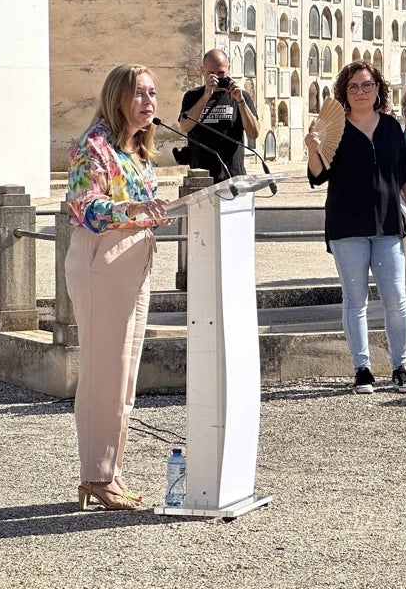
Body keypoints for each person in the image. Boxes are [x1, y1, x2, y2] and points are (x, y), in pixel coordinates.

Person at [66, 64, 170, 510]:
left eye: (153, 93)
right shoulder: (93, 147)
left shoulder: (137, 151)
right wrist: (136, 207)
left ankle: (111, 471)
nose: (149, 102)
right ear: (118, 98)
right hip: (102, 259)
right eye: (140, 94)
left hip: (135, 260)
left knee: (125, 375)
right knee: (103, 373)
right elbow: (85, 206)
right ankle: (96, 474)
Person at [305, 61, 406, 395]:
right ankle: (362, 369)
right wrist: (313, 149)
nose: (361, 92)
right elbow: (318, 175)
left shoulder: (390, 126)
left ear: (378, 89)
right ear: (344, 92)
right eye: (354, 87)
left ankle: (401, 367)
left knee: (396, 297)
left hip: (388, 222)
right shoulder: (335, 127)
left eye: (367, 85)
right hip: (347, 223)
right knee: (354, 299)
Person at [178, 48, 260, 180]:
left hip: (232, 174)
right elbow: (185, 126)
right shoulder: (192, 96)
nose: (217, 78)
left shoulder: (241, 97)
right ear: (202, 71)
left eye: (221, 73)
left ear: (229, 69)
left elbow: (254, 133)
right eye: (211, 73)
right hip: (201, 176)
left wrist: (240, 102)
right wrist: (205, 97)